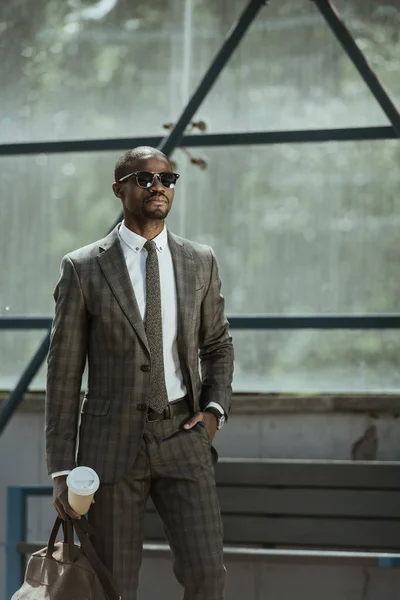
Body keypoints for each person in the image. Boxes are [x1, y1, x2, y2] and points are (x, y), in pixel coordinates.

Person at [45, 146, 234, 600]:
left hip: (184, 438)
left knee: (208, 574)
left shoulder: (199, 260)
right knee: (115, 585)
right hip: (109, 449)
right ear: (119, 189)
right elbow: (65, 371)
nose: (158, 187)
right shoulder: (85, 267)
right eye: (145, 179)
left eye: (167, 180)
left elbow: (218, 344)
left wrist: (212, 412)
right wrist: (60, 468)